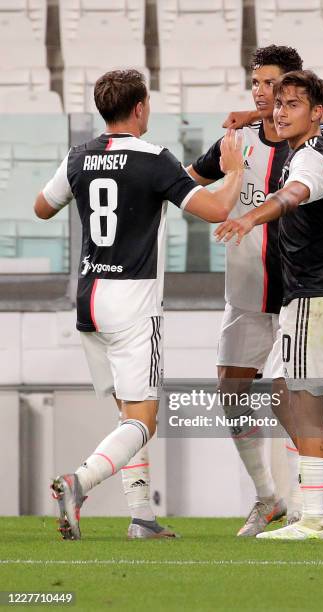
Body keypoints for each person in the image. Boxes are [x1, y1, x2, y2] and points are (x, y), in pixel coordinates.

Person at [34, 69, 244, 540]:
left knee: (128, 414)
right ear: (140, 108)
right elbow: (217, 210)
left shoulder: (78, 156)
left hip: (89, 298)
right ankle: (79, 482)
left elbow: (41, 208)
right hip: (133, 301)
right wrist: (234, 170)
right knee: (144, 420)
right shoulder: (154, 159)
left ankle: (141, 516)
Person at [188, 46, 323, 536]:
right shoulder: (238, 140)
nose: (262, 94)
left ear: (300, 98)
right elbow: (186, 185)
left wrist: (250, 213)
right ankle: (276, 498)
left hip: (305, 292)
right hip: (254, 292)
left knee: (291, 395)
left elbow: (302, 192)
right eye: (258, 85)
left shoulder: (322, 140)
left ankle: (317, 508)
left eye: (273, 87)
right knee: (244, 391)